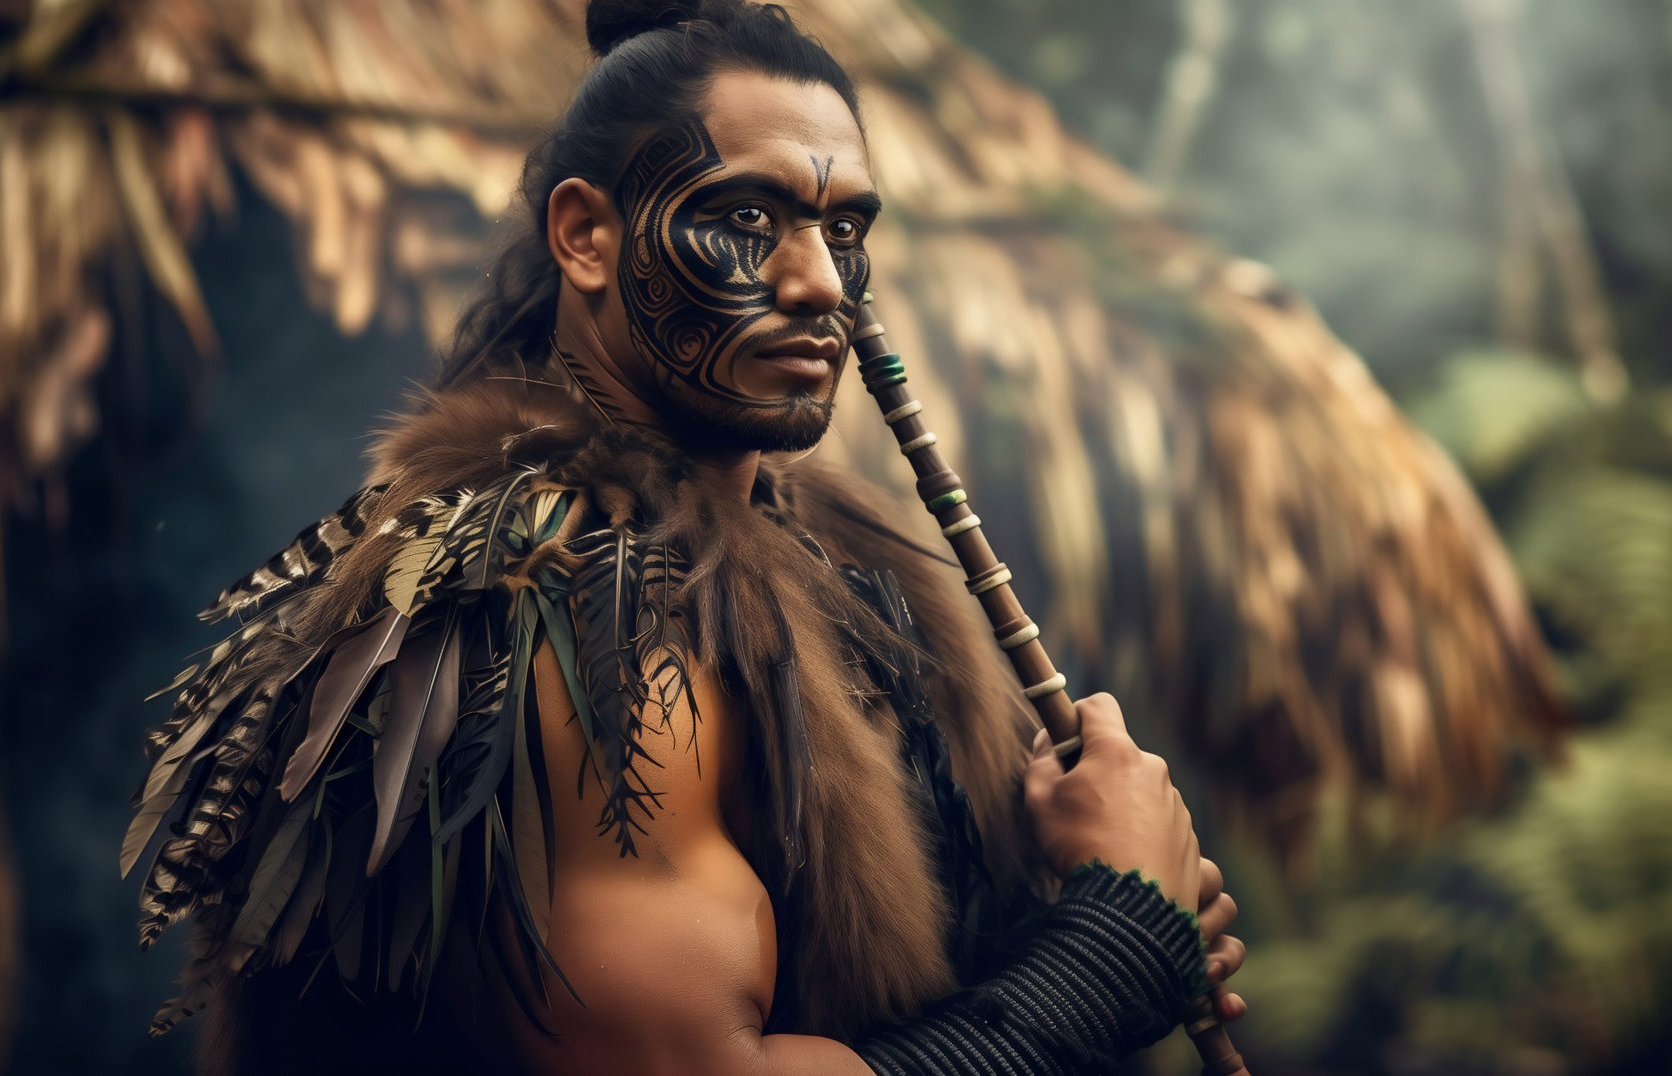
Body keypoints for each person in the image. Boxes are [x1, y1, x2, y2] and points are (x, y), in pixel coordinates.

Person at [124, 1, 1246, 1072]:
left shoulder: (826, 555)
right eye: (746, 220)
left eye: (842, 227)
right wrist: (1110, 947)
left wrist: (1085, 897)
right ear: (586, 237)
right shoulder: (564, 604)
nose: (817, 283)